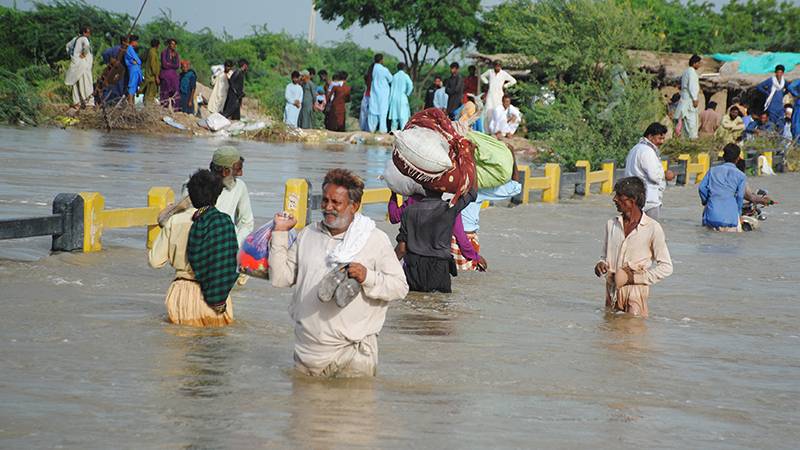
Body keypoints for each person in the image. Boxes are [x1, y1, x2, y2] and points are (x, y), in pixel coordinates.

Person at [269, 169, 409, 377]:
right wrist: (279, 233)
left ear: (354, 206)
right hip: (307, 353)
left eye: (336, 202)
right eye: (325, 201)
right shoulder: (308, 234)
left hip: (352, 355)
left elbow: (400, 288)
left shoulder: (374, 239)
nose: (328, 207)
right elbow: (281, 278)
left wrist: (367, 277)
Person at [149, 169, 236, 327]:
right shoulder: (224, 223)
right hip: (217, 296)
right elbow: (231, 262)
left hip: (182, 294)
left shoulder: (175, 222)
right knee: (217, 347)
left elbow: (155, 261)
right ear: (216, 196)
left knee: (180, 345)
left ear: (190, 195)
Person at [594, 177, 673, 317]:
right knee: (609, 334)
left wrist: (635, 279)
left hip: (636, 294)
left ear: (633, 200)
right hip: (612, 293)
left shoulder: (652, 228)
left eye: (619, 196)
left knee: (633, 333)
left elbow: (666, 267)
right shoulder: (611, 224)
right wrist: (601, 264)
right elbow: (604, 256)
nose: (614, 199)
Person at [395, 187, 478, 293]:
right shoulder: (449, 209)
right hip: (439, 270)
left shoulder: (408, 211)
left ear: (424, 188)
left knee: (413, 305)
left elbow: (402, 249)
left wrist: (386, 266)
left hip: (413, 271)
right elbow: (472, 193)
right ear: (443, 189)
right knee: (439, 305)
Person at [387, 192, 485, 273]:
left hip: (414, 267)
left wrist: (393, 194)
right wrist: (475, 256)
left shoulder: (412, 202)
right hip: (439, 268)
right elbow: (460, 237)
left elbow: (394, 217)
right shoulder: (450, 207)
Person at [457, 178, 522, 272]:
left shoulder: (447, 190)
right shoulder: (477, 191)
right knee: (469, 280)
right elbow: (515, 188)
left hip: (444, 239)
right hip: (466, 241)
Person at [624, 122, 672, 220]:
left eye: (663, 138)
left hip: (633, 198)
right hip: (648, 201)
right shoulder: (647, 151)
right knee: (650, 232)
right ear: (650, 137)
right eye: (659, 138)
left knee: (634, 231)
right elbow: (654, 176)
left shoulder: (635, 149)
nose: (662, 142)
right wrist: (665, 175)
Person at [698, 144, 746, 232]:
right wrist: (739, 214)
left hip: (712, 216)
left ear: (723, 156)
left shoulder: (712, 170)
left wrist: (706, 201)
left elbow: (701, 188)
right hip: (730, 218)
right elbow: (740, 196)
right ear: (738, 159)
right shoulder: (741, 175)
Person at [64, 25, 94, 108]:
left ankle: (76, 103)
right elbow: (87, 47)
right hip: (83, 65)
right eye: (88, 33)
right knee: (86, 84)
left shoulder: (75, 39)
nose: (89, 34)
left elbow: (67, 46)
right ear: (84, 32)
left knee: (75, 84)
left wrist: (73, 55)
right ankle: (89, 103)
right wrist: (84, 54)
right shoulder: (84, 39)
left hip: (75, 64)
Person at [481, 60, 517, 129]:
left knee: (498, 111)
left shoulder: (503, 73)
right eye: (496, 65)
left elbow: (513, 81)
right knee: (488, 110)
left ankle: (498, 129)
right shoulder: (490, 72)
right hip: (491, 94)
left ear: (501, 66)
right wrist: (487, 82)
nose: (497, 67)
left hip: (499, 95)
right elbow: (482, 76)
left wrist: (505, 86)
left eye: (499, 66)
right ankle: (487, 129)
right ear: (494, 66)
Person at [676, 54, 701, 139]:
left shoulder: (686, 71)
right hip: (689, 101)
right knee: (691, 123)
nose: (699, 65)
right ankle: (691, 141)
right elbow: (692, 86)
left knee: (686, 123)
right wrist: (695, 99)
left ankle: (686, 140)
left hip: (685, 100)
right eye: (698, 63)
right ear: (694, 63)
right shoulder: (691, 72)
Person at [756, 65, 787, 131]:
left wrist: (783, 94)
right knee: (771, 124)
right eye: (778, 72)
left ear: (782, 73)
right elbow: (759, 86)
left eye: (781, 72)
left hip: (780, 107)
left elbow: (789, 88)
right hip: (772, 106)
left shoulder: (784, 82)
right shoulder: (771, 80)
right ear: (775, 73)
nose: (779, 74)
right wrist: (767, 93)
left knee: (781, 123)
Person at [368, 54, 393, 133]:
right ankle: (382, 131)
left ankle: (371, 130)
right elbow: (391, 79)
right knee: (382, 112)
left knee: (373, 111)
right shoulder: (384, 69)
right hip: (383, 93)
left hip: (374, 92)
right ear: (381, 60)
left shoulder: (372, 69)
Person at [100, 35, 128, 104]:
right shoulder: (117, 49)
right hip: (115, 73)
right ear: (123, 42)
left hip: (118, 73)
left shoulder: (122, 50)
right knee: (114, 89)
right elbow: (105, 54)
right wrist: (111, 62)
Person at [388, 63, 413, 131]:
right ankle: (403, 133)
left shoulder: (394, 76)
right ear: (404, 68)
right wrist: (407, 93)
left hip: (393, 98)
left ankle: (393, 133)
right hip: (402, 97)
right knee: (403, 117)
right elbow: (410, 85)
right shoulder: (405, 76)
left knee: (394, 118)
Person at [159, 38, 180, 110]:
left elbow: (177, 65)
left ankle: (175, 109)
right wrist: (171, 65)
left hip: (173, 77)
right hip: (165, 76)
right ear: (169, 44)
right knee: (165, 92)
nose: (173, 46)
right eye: (172, 44)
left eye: (174, 44)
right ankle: (164, 108)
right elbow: (164, 64)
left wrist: (169, 64)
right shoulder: (164, 52)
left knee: (175, 92)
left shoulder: (176, 54)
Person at [124, 34, 143, 106]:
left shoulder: (130, 49)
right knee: (132, 86)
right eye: (136, 41)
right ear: (133, 41)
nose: (137, 43)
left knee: (134, 87)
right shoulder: (130, 48)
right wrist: (137, 62)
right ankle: (130, 103)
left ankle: (132, 104)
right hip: (134, 70)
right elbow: (138, 61)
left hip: (135, 70)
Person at [142, 38, 160, 105]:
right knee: (150, 95)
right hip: (151, 77)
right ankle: (148, 108)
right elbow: (153, 65)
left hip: (149, 76)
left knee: (148, 94)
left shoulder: (150, 51)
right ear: (157, 45)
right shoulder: (152, 53)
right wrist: (156, 76)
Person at [359, 61, 375, 132]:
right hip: (371, 96)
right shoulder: (374, 77)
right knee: (369, 113)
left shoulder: (367, 76)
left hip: (367, 95)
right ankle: (368, 129)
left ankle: (364, 128)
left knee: (364, 113)